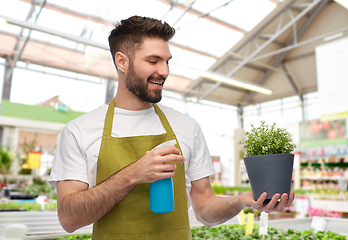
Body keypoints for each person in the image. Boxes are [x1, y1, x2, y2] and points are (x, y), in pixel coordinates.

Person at [49, 15, 294, 239]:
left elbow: (205, 209)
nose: (164, 71)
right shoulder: (80, 130)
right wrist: (134, 174)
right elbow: (69, 219)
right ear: (122, 62)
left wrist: (242, 201)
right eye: (153, 61)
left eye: (166, 61)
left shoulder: (186, 127)